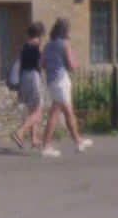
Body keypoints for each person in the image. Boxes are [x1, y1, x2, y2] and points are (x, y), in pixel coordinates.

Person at [36, 18, 94, 157]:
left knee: (64, 112)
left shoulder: (47, 46)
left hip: (51, 81)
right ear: (65, 31)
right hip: (61, 80)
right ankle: (46, 146)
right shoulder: (64, 44)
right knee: (58, 113)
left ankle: (78, 141)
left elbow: (42, 64)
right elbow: (71, 63)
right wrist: (75, 64)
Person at [10, 21, 48, 149]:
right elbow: (42, 64)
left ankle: (34, 139)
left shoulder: (24, 47)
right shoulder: (39, 47)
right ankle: (20, 132)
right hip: (33, 77)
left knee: (31, 108)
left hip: (24, 77)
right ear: (40, 34)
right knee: (38, 111)